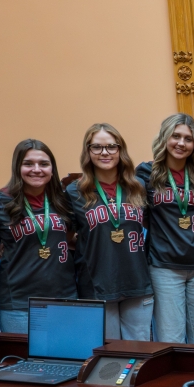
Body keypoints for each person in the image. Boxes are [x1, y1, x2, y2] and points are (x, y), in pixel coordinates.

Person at [138, 113, 194, 344]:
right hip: (165, 265)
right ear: (164, 138)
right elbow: (142, 218)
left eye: (188, 139)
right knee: (170, 339)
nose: (181, 143)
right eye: (175, 136)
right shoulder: (145, 173)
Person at [68, 124, 153, 339]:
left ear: (120, 150)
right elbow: (68, 236)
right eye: (96, 147)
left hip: (137, 282)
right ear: (88, 152)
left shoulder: (138, 186)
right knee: (108, 354)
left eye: (111, 147)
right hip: (97, 285)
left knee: (140, 352)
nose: (104, 152)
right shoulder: (74, 191)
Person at [0, 140, 79, 333]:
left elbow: (68, 235)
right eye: (28, 163)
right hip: (20, 302)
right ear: (17, 167)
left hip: (65, 297)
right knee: (22, 361)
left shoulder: (64, 201)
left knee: (67, 360)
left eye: (44, 164)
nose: (36, 169)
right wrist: (0, 251)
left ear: (52, 169)